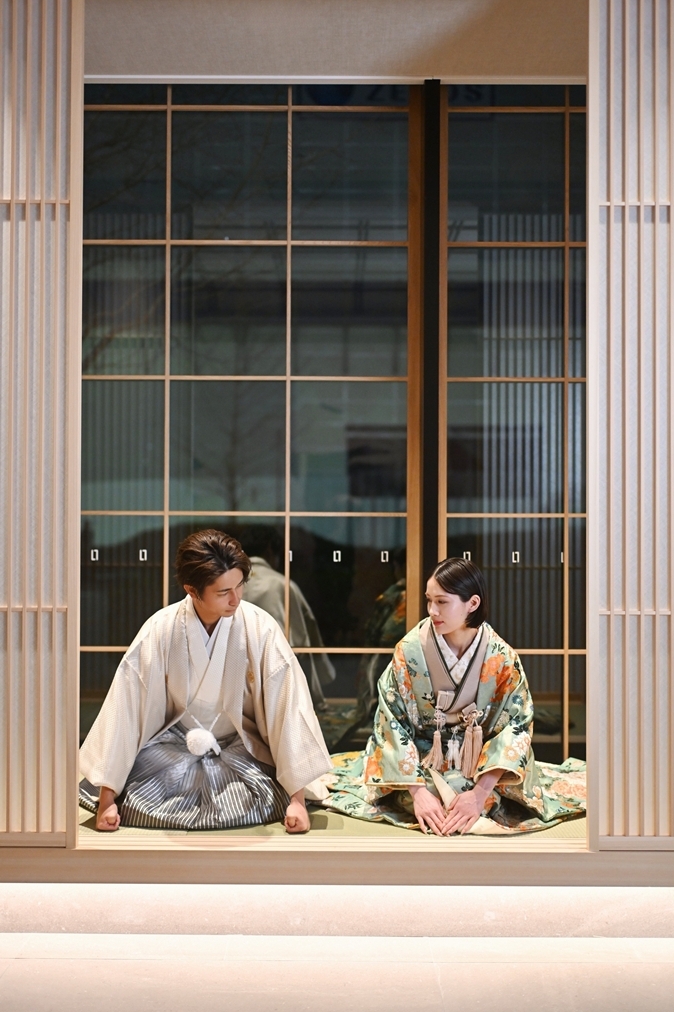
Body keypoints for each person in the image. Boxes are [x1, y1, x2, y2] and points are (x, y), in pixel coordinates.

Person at [79, 530, 333, 833]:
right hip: (174, 747)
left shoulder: (260, 629)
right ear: (192, 590)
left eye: (240, 586)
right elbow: (126, 708)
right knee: (139, 803)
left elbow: (287, 709)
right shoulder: (161, 629)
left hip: (244, 747)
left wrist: (297, 800)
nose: (236, 599)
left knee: (259, 803)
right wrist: (108, 799)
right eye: (223, 591)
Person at [323, 557, 586, 835]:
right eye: (429, 601)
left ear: (472, 604)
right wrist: (417, 792)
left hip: (480, 762)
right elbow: (390, 721)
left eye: (442, 602)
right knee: (432, 799)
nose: (432, 610)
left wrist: (480, 794)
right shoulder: (410, 651)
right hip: (425, 758)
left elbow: (516, 727)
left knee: (485, 799)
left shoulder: (501, 657)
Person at [240, 525, 336, 710]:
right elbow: (303, 640)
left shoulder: (227, 585)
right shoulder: (282, 585)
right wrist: (315, 698)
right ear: (270, 550)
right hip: (277, 675)